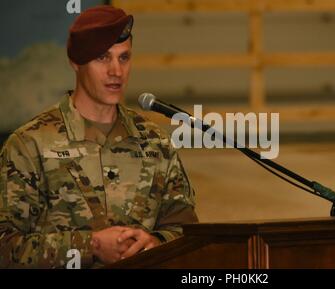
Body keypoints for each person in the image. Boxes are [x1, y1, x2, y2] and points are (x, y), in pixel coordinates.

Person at [0, 5, 198, 268]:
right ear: (76, 62)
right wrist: (89, 247)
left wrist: (155, 244)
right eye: (103, 58)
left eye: (124, 58)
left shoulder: (155, 142)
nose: (116, 71)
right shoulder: (29, 145)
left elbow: (188, 235)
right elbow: (5, 246)